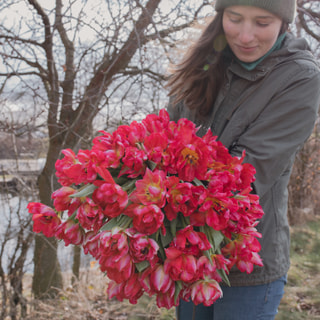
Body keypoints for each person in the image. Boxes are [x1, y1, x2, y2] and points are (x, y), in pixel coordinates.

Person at [166, 0, 320, 319]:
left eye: (262, 23)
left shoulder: (300, 77)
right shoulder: (206, 62)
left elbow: (247, 174)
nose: (245, 36)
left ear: (282, 23)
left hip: (247, 261)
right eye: (235, 19)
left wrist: (169, 195)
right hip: (188, 251)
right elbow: (167, 139)